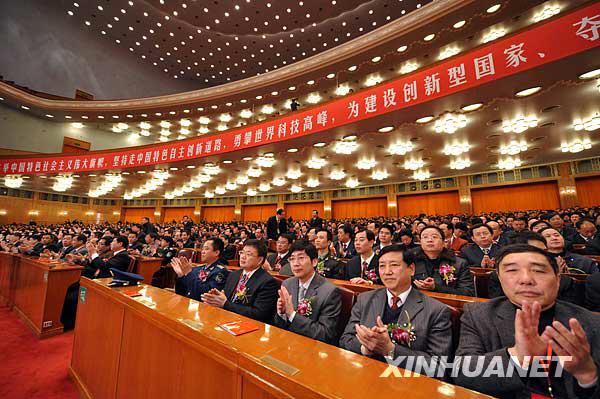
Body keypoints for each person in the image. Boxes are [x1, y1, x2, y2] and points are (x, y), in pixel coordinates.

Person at [454, 244, 600, 398]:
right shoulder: (479, 315)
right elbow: (463, 375)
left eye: (538, 270)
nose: (526, 279)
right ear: (499, 278)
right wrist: (517, 356)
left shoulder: (591, 322)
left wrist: (588, 374)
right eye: (511, 270)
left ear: (558, 279)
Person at [339, 245, 453, 370]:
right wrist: (366, 347)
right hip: (366, 370)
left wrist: (390, 350)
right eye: (382, 266)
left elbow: (437, 366)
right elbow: (346, 340)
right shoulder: (365, 299)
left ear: (411, 269)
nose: (387, 271)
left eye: (394, 265)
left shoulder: (436, 310)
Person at [273, 241, 341, 345]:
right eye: (292, 259)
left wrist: (292, 315)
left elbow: (325, 334)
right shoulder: (287, 284)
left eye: (301, 258)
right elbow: (279, 326)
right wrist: (281, 313)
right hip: (287, 343)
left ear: (314, 262)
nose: (295, 263)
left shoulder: (329, 291)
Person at [201, 239, 278, 323]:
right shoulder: (234, 275)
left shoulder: (267, 282)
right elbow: (226, 299)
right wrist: (216, 299)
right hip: (227, 319)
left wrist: (225, 304)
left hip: (249, 326)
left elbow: (258, 314)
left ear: (260, 260)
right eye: (242, 252)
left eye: (248, 254)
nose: (243, 257)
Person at [412, 226, 474, 296]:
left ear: (443, 242)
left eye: (434, 237)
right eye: (425, 237)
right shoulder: (411, 261)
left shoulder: (459, 263)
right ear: (420, 242)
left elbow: (468, 293)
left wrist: (436, 287)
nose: (429, 240)